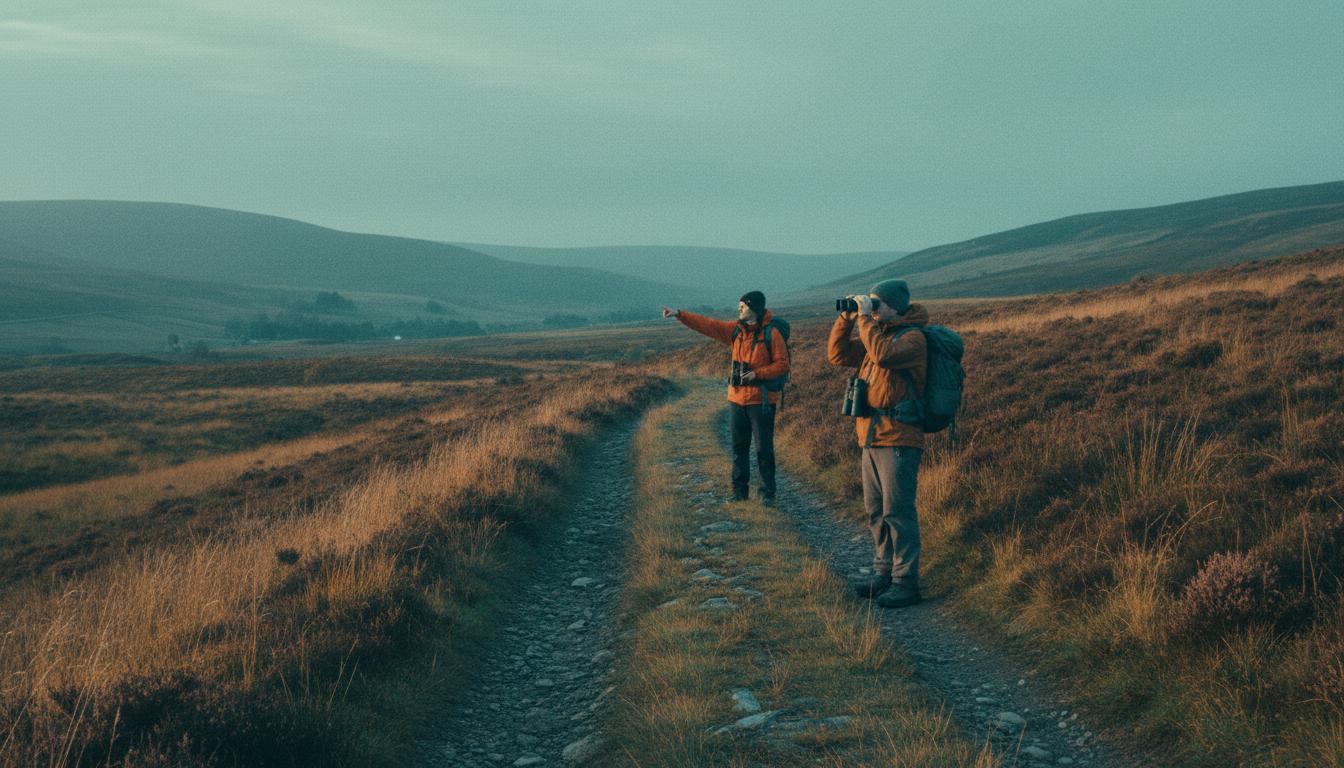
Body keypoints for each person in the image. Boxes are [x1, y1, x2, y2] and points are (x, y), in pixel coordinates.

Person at [827, 279, 929, 608]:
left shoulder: (912, 338)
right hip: (870, 435)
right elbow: (837, 355)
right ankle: (883, 571)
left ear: (895, 306)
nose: (871, 307)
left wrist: (864, 319)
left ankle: (906, 581)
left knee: (897, 511)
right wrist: (846, 319)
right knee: (875, 511)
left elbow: (883, 357)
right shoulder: (877, 334)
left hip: (899, 436)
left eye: (877, 303)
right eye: (870, 302)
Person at [662, 291, 789, 505]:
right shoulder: (735, 331)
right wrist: (680, 315)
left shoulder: (772, 334)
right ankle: (739, 493)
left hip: (762, 400)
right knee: (739, 447)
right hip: (737, 399)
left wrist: (757, 374)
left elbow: (782, 365)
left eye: (743, 306)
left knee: (763, 449)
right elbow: (707, 325)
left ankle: (768, 494)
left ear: (754, 308)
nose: (739, 309)